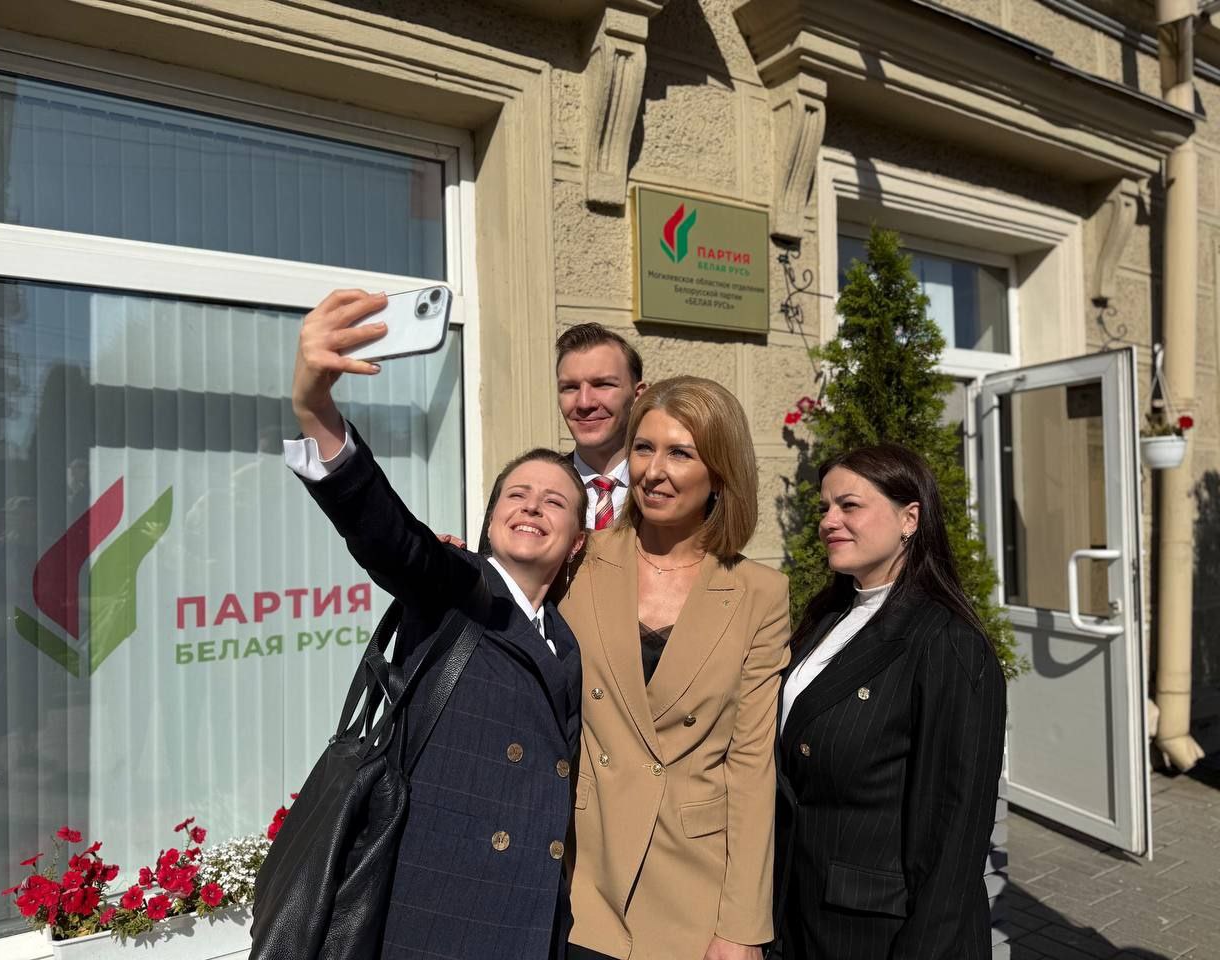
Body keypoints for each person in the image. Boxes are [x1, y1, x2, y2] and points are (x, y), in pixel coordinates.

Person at [285, 289, 587, 960]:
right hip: (437, 914)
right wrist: (316, 410)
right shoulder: (454, 586)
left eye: (554, 502)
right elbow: (391, 537)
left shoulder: (565, 641)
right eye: (517, 494)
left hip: (534, 919)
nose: (531, 506)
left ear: (577, 542)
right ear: (491, 518)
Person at [561, 376, 791, 960]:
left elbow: (751, 766)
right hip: (579, 875)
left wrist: (742, 926)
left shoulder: (760, 593)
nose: (654, 471)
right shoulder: (578, 560)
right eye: (644, 448)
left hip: (693, 888)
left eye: (681, 453)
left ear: (720, 473)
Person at [773, 444, 1007, 960]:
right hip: (804, 916)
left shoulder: (948, 643)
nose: (828, 521)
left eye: (849, 505)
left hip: (884, 935)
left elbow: (956, 837)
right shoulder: (829, 616)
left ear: (910, 518)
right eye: (824, 507)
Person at [555, 324, 647, 529]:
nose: (584, 403)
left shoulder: (665, 486)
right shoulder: (532, 488)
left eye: (603, 385)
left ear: (637, 396)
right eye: (570, 387)